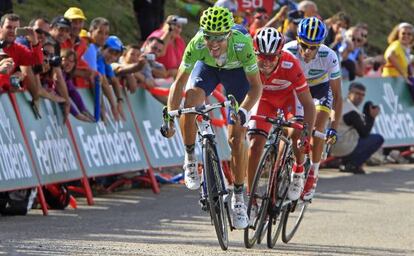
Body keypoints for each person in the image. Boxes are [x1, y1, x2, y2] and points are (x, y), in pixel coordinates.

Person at [162, 6, 263, 229]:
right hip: (207, 69)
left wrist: (244, 111)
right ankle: (190, 158)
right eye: (209, 37)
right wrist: (170, 116)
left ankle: (238, 197)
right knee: (190, 103)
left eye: (219, 38)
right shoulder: (198, 43)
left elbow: (256, 87)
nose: (213, 43)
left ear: (228, 34)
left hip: (236, 74)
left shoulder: (242, 43)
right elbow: (179, 83)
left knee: (237, 137)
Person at [247, 27, 315, 206]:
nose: (267, 62)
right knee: (254, 145)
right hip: (264, 100)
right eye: (262, 57)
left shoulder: (290, 64)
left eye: (272, 57)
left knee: (295, 135)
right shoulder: (248, 64)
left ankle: (298, 170)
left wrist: (306, 134)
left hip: (288, 100)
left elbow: (308, 104)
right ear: (255, 53)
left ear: (280, 54)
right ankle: (250, 197)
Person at [284, 17, 342, 200]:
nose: (307, 51)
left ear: (321, 45)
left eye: (313, 47)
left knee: (317, 130)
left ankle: (313, 174)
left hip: (320, 90)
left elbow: (338, 96)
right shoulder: (288, 50)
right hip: (297, 90)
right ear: (298, 39)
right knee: (295, 131)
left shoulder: (329, 56)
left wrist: (334, 126)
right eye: (304, 45)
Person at [331, 82, 384, 174]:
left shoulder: (340, 104)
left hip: (331, 146)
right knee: (377, 139)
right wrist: (371, 117)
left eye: (362, 95)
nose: (360, 97)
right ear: (349, 93)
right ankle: (353, 164)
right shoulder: (351, 111)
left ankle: (346, 162)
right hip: (342, 147)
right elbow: (364, 133)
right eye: (357, 93)